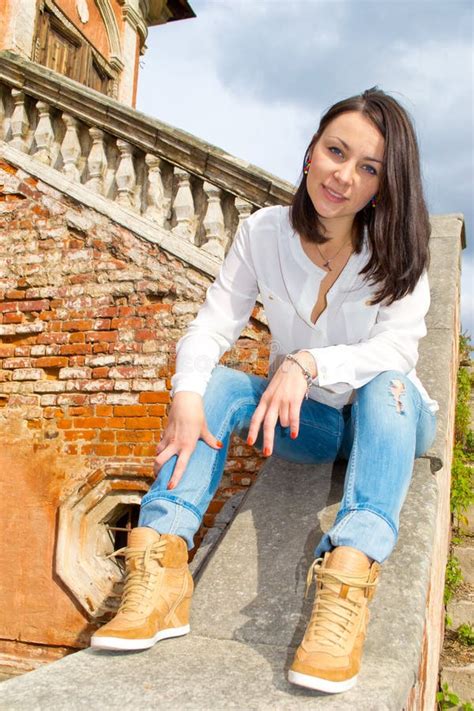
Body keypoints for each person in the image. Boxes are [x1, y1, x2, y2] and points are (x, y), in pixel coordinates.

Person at [90, 87, 438, 695]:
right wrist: (187, 393)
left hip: (389, 421)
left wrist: (306, 361)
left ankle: (348, 582)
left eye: (369, 168)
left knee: (386, 383)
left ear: (384, 185)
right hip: (311, 425)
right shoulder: (262, 233)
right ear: (311, 151)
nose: (343, 175)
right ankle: (163, 566)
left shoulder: (400, 253)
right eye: (336, 151)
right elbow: (215, 321)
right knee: (217, 384)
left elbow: (397, 353)